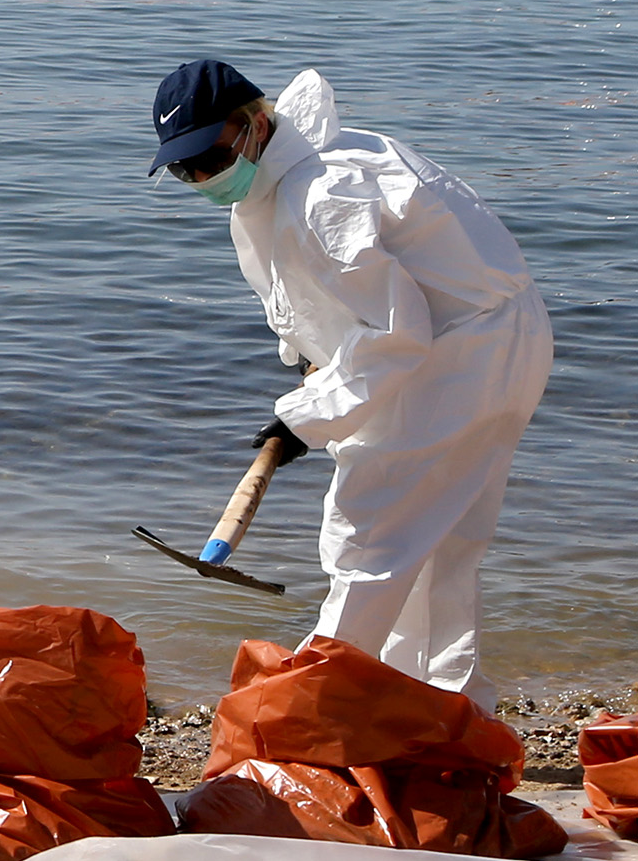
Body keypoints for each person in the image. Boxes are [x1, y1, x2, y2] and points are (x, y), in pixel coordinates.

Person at [149, 57, 553, 692]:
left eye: (212, 155)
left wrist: (304, 418)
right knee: (435, 546)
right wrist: (316, 375)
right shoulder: (285, 182)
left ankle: (318, 707)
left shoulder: (322, 194)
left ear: (256, 122)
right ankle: (440, 718)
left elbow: (398, 332)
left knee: (366, 535)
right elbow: (341, 307)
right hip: (486, 341)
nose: (203, 176)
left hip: (462, 356)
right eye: (184, 168)